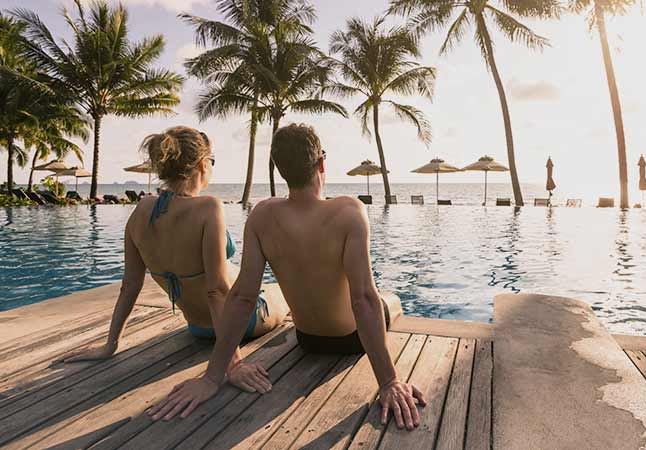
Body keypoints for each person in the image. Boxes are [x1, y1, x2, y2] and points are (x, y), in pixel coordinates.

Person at [148, 123, 426, 430]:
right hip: (351, 341)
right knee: (390, 299)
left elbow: (241, 297)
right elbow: (363, 300)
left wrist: (213, 376)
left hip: (306, 339)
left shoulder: (262, 215)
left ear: (280, 170)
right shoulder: (349, 211)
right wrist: (389, 381)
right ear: (321, 163)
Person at [60, 126, 289, 395]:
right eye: (212, 161)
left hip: (197, 327)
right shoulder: (209, 207)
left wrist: (110, 344)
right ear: (203, 164)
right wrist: (233, 363)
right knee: (281, 291)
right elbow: (217, 291)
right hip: (241, 323)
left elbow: (129, 285)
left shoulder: (141, 210)